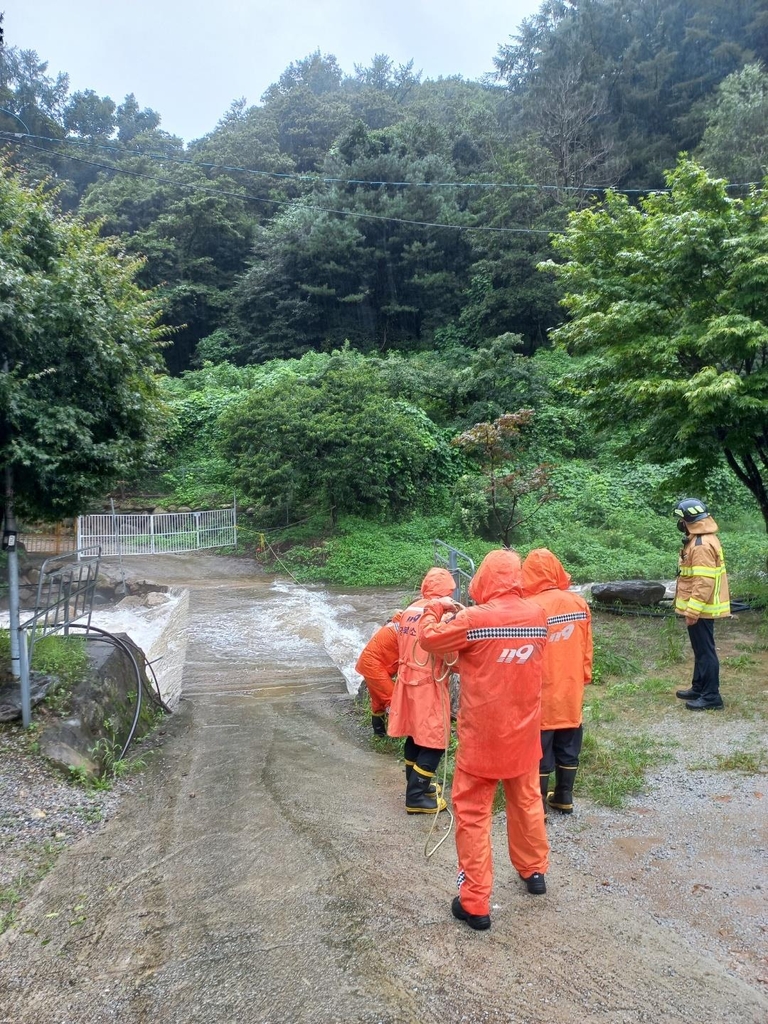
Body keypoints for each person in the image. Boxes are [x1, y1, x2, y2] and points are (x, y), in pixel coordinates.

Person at [417, 549, 550, 931]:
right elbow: (504, 659)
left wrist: (435, 607)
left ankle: (475, 902)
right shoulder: (537, 615)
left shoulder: (474, 620)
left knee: (474, 814)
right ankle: (534, 871)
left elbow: (429, 640)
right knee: (526, 802)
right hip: (524, 735)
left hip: (483, 741)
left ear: (485, 580)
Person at [521, 548, 593, 815]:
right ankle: (564, 796)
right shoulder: (578, 604)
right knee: (569, 738)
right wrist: (583, 677)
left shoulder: (529, 608)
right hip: (571, 686)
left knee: (540, 747)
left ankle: (537, 806)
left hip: (540, 690)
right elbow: (587, 648)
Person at [387, 567, 456, 815]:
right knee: (435, 741)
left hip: (406, 681)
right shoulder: (438, 615)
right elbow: (450, 654)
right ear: (445, 593)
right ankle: (415, 796)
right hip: (428, 683)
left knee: (414, 736)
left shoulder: (409, 610)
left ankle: (419, 786)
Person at [673, 498, 730, 710]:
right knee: (701, 650)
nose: (679, 523)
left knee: (705, 652)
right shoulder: (700, 539)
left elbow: (703, 582)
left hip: (702, 608)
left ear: (688, 520)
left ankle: (711, 696)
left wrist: (693, 610)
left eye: (681, 519)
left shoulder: (701, 545)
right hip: (701, 608)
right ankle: (699, 687)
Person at [355, 612, 402, 737]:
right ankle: (400, 735)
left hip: (371, 663)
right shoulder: (407, 628)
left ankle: (379, 733)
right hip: (374, 665)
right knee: (394, 700)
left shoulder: (398, 624)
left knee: (378, 701)